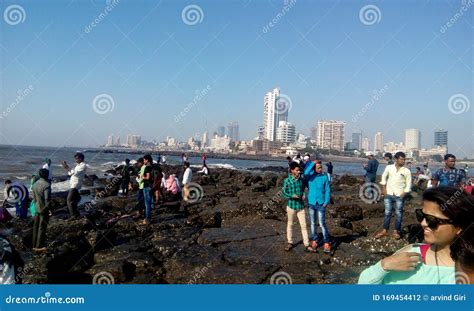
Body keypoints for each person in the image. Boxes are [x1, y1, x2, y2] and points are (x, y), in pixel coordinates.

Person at [359, 186, 473, 284]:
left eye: (432, 220)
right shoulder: (409, 254)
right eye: (421, 215)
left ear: (459, 226)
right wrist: (384, 266)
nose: (423, 223)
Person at [376, 152, 412, 240]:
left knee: (398, 213)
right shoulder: (389, 167)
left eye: (404, 159)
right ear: (396, 159)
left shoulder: (406, 171)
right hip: (389, 193)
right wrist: (384, 189)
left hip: (399, 195)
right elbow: (384, 177)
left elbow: (409, 184)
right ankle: (385, 230)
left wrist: (404, 193)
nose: (403, 161)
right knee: (387, 212)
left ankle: (396, 231)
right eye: (401, 159)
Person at [282, 162, 316, 253]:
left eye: (299, 170)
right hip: (291, 206)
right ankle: (290, 242)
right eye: (297, 170)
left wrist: (304, 194)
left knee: (304, 226)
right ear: (292, 170)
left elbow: (303, 188)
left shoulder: (301, 179)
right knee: (290, 225)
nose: (298, 171)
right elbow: (284, 192)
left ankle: (307, 244)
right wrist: (291, 195)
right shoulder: (287, 181)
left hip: (301, 207)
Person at [304, 161, 331, 253]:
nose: (320, 169)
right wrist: (312, 163)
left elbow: (328, 189)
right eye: (318, 167)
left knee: (322, 223)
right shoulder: (310, 176)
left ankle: (326, 242)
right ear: (314, 168)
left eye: (321, 167)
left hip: (321, 203)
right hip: (311, 202)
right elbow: (305, 172)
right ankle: (315, 240)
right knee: (313, 223)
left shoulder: (324, 176)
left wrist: (326, 201)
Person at [31, 168, 51, 253]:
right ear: (47, 175)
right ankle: (39, 246)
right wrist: (49, 209)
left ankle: (34, 245)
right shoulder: (47, 185)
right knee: (42, 228)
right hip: (44, 209)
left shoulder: (35, 184)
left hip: (37, 208)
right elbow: (47, 199)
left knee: (36, 226)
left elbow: (34, 198)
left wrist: (36, 206)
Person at [62, 152, 87, 219]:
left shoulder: (83, 165)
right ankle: (77, 214)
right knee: (75, 199)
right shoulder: (78, 165)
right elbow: (70, 173)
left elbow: (75, 173)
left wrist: (67, 167)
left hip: (75, 185)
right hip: (73, 185)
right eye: (75, 159)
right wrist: (66, 167)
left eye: (77, 159)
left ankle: (73, 215)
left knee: (69, 200)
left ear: (81, 158)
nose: (76, 160)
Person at [140, 154, 154, 225]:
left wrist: (142, 177)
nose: (143, 161)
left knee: (147, 204)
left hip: (147, 186)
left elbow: (148, 177)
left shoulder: (147, 167)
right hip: (152, 186)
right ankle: (148, 218)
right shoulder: (153, 166)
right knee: (149, 203)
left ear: (147, 160)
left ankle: (147, 220)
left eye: (144, 160)